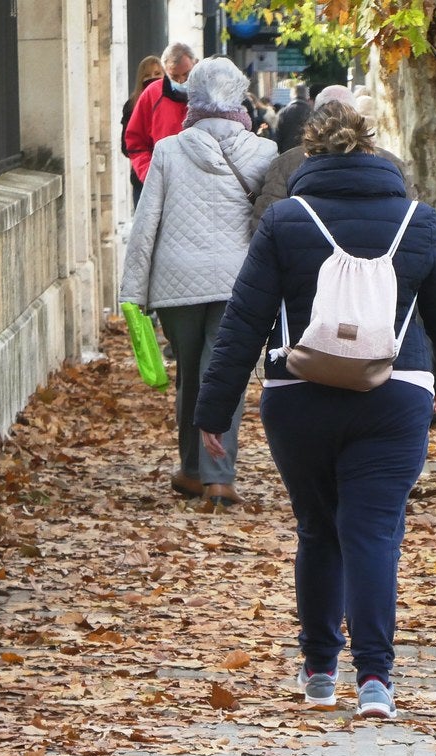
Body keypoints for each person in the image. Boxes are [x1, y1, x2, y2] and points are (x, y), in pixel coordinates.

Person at [193, 101, 436, 718]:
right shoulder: (418, 222)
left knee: (319, 530)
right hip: (397, 395)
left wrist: (214, 413)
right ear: (375, 152)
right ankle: (375, 680)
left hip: (300, 396)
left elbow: (243, 322)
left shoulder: (286, 222)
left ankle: (320, 670)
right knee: (372, 532)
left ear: (309, 156)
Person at [119, 56, 276, 507]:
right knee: (224, 376)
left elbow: (145, 223)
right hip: (239, 285)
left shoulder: (168, 149)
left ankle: (191, 470)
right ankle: (219, 477)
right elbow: (271, 224)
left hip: (175, 283)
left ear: (194, 97)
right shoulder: (263, 152)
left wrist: (134, 293)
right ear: (241, 96)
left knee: (191, 375)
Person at [251, 85, 416, 230]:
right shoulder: (391, 162)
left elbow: (264, 225)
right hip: (381, 260)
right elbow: (412, 221)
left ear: (315, 115)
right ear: (356, 116)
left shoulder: (285, 163)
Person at [124, 42, 197, 185]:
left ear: (195, 65)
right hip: (164, 185)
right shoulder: (152, 94)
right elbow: (135, 140)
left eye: (186, 74)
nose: (182, 81)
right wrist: (149, 175)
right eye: (175, 76)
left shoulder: (207, 91)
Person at [121, 55, 164, 209]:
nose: (152, 78)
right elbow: (126, 146)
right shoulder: (132, 105)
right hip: (142, 178)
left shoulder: (174, 101)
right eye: (147, 75)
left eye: (157, 73)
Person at [273, 83, 311, 153]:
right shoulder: (312, 111)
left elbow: (277, 136)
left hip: (287, 153)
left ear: (291, 95)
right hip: (307, 153)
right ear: (306, 95)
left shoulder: (283, 112)